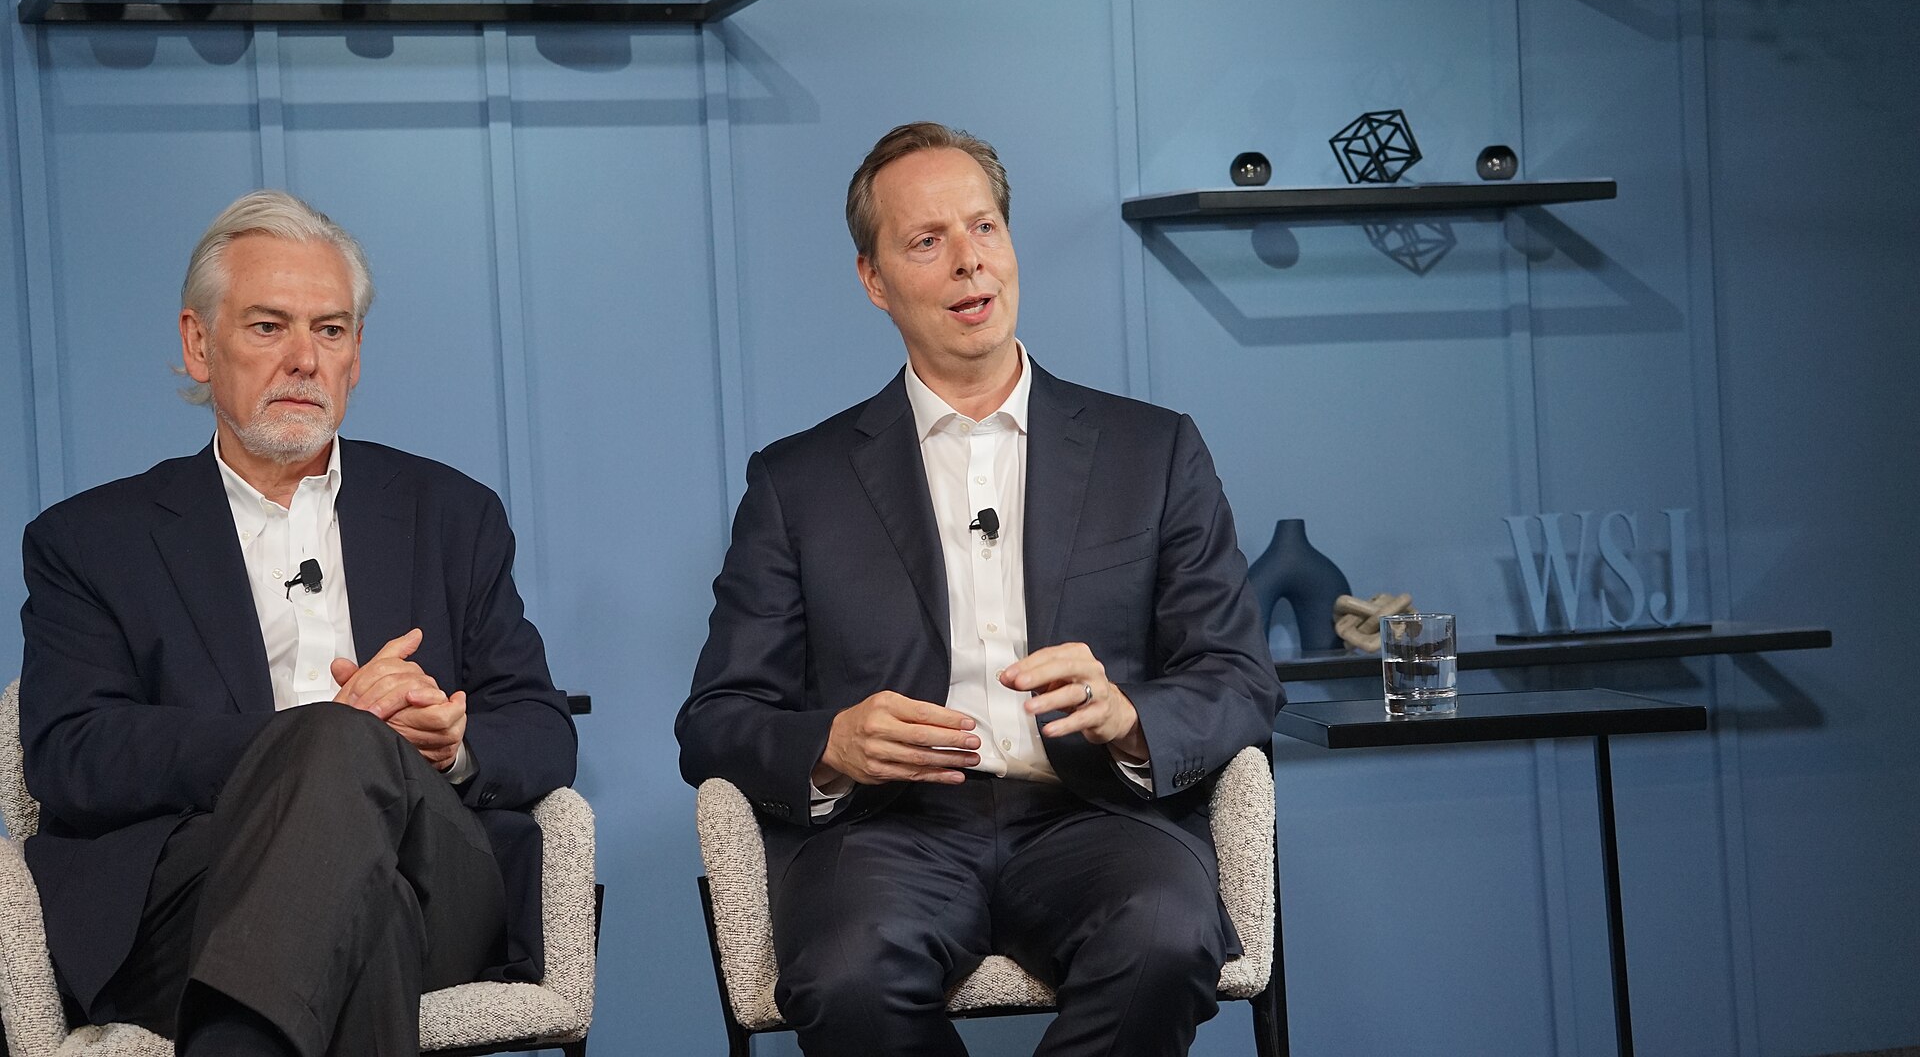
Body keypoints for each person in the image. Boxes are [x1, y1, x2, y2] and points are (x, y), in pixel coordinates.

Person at [677, 122, 1282, 1056]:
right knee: (845, 976)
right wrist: (831, 745)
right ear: (873, 282)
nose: (969, 263)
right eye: (928, 241)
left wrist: (1129, 718)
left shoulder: (1151, 451)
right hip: (889, 833)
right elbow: (717, 715)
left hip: (1095, 815)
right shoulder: (797, 482)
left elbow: (1239, 675)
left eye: (984, 228)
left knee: (1164, 938)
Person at [18, 190, 577, 1057]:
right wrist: (311, 740)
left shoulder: (452, 514)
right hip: (194, 890)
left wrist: (450, 742)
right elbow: (73, 753)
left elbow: (541, 729)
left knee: (366, 803)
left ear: (356, 356)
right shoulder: (92, 541)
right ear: (199, 345)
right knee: (366, 900)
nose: (304, 361)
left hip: (438, 875)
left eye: (330, 330)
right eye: (268, 327)